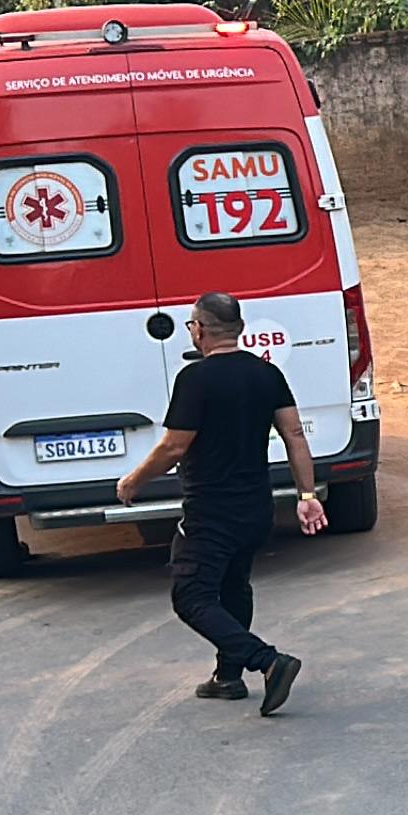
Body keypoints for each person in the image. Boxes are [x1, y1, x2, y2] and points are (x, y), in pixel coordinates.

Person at [112, 292, 322, 715]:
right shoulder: (268, 374)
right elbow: (295, 436)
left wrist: (134, 480)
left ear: (201, 329)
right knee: (233, 585)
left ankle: (268, 661)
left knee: (191, 595)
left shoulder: (195, 380)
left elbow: (174, 446)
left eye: (191, 325)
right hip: (256, 508)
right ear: (240, 329)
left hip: (211, 511)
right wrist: (307, 495)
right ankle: (227, 677)